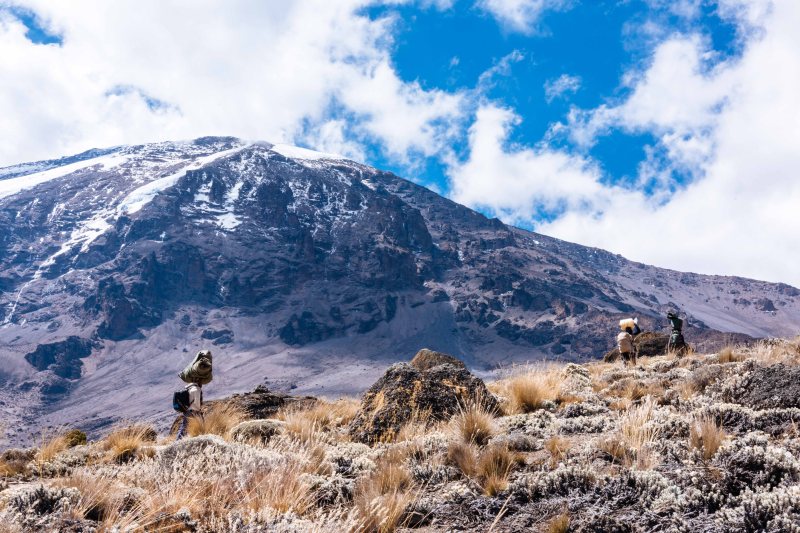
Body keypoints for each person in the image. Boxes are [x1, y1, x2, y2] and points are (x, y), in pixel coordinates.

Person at [174, 349, 213, 440]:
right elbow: (196, 403)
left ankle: (178, 441)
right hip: (194, 412)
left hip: (187, 411)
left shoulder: (189, 388)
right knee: (191, 427)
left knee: (184, 427)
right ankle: (179, 442)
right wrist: (199, 410)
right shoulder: (196, 389)